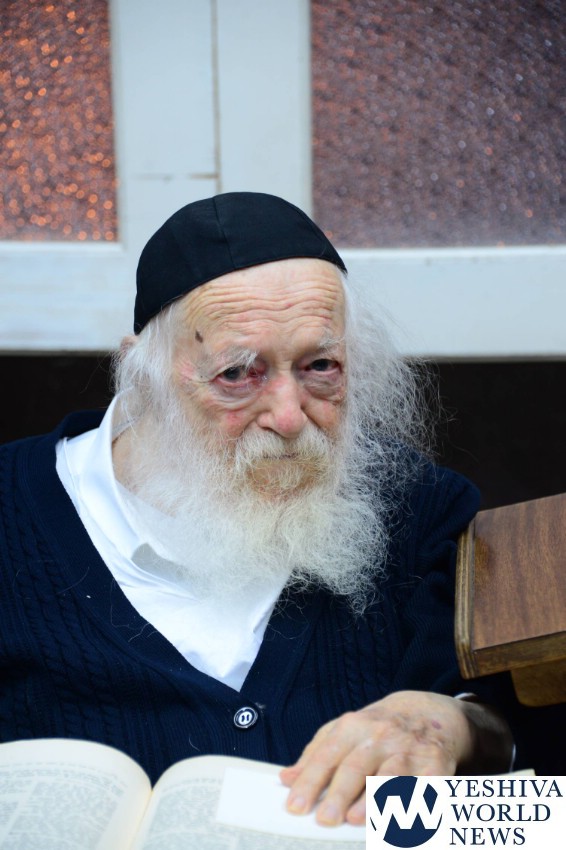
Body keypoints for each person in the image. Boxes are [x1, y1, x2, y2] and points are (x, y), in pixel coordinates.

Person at [0, 192, 515, 827]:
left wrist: (455, 726)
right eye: (238, 374)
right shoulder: (10, 512)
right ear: (144, 374)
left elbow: (538, 818)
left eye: (320, 366)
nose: (289, 416)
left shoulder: (422, 512)